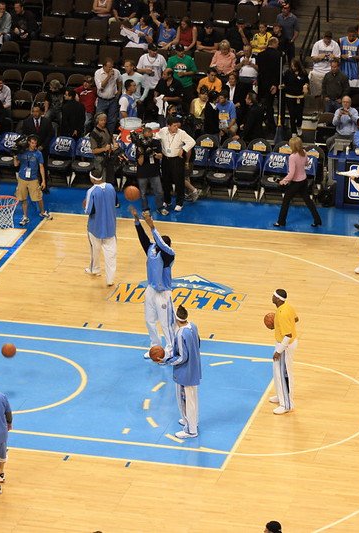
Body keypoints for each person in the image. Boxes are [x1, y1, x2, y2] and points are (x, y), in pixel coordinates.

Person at [130, 207, 176, 360]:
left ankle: (170, 349)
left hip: (163, 293)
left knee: (166, 323)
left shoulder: (169, 254)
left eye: (158, 244)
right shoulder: (151, 249)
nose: (155, 245)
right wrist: (137, 220)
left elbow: (161, 244)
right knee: (149, 320)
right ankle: (155, 346)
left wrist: (152, 225)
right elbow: (143, 238)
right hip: (150, 289)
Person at [158, 304, 201, 439]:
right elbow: (198, 343)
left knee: (185, 400)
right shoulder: (193, 326)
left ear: (176, 319)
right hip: (194, 369)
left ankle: (190, 429)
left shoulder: (180, 333)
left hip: (184, 373)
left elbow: (182, 357)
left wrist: (166, 360)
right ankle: (192, 421)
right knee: (192, 399)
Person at [274, 137, 322, 228]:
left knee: (285, 202)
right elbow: (307, 164)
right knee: (309, 202)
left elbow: (291, 174)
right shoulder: (304, 152)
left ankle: (281, 222)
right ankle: (317, 220)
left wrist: (283, 181)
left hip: (296, 183)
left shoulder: (292, 157)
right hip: (304, 181)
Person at [84, 171, 117, 286]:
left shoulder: (91, 191)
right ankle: (110, 279)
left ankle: (95, 270)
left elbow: (88, 210)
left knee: (95, 251)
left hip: (95, 227)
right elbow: (116, 203)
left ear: (93, 179)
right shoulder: (111, 187)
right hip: (110, 227)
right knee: (111, 255)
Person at [155, 117, 196, 212]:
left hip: (177, 160)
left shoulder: (181, 133)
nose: (176, 127)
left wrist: (183, 149)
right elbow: (156, 136)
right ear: (168, 126)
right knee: (166, 181)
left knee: (179, 182)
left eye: (177, 125)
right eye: (174, 126)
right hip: (166, 159)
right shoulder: (163, 130)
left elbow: (192, 142)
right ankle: (167, 201)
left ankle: (179, 203)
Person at [269, 288, 298, 415]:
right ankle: (281, 396)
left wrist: (279, 351)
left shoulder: (282, 313)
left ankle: (287, 404)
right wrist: (279, 325)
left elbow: (288, 335)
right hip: (286, 343)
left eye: (273, 296)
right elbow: (296, 319)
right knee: (278, 373)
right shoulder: (287, 307)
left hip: (285, 346)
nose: (272, 297)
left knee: (283, 375)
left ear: (278, 299)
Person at [13, 135, 51, 226]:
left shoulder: (38, 153)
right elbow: (15, 164)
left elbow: (41, 167)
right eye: (33, 143)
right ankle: (25, 217)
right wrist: (14, 156)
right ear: (29, 143)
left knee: (38, 197)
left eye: (35, 143)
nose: (34, 145)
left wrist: (43, 181)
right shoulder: (22, 152)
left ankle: (42, 212)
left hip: (33, 179)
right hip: (22, 178)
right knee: (23, 198)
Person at [135, 125, 166, 215]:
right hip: (142, 173)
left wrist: (153, 153)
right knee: (143, 193)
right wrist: (142, 153)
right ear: (143, 134)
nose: (149, 136)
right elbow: (140, 162)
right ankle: (145, 209)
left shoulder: (156, 142)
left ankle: (160, 207)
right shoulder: (139, 144)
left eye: (150, 134)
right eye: (147, 134)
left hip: (154, 171)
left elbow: (160, 156)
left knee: (159, 191)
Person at [309, 31, 340, 103]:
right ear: (323, 37)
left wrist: (334, 57)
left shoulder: (335, 45)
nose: (327, 40)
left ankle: (326, 111)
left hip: (329, 71)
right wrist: (319, 57)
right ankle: (318, 110)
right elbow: (313, 58)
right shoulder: (317, 44)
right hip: (318, 71)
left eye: (329, 39)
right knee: (317, 93)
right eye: (326, 38)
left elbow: (338, 60)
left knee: (328, 94)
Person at [95, 58, 122, 134]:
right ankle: (99, 135)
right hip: (102, 100)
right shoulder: (98, 73)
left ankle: (109, 136)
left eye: (112, 67)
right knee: (99, 119)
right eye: (109, 67)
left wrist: (119, 91)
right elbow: (100, 87)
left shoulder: (116, 72)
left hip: (113, 100)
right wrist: (108, 76)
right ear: (104, 66)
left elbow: (120, 81)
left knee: (112, 120)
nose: (111, 69)